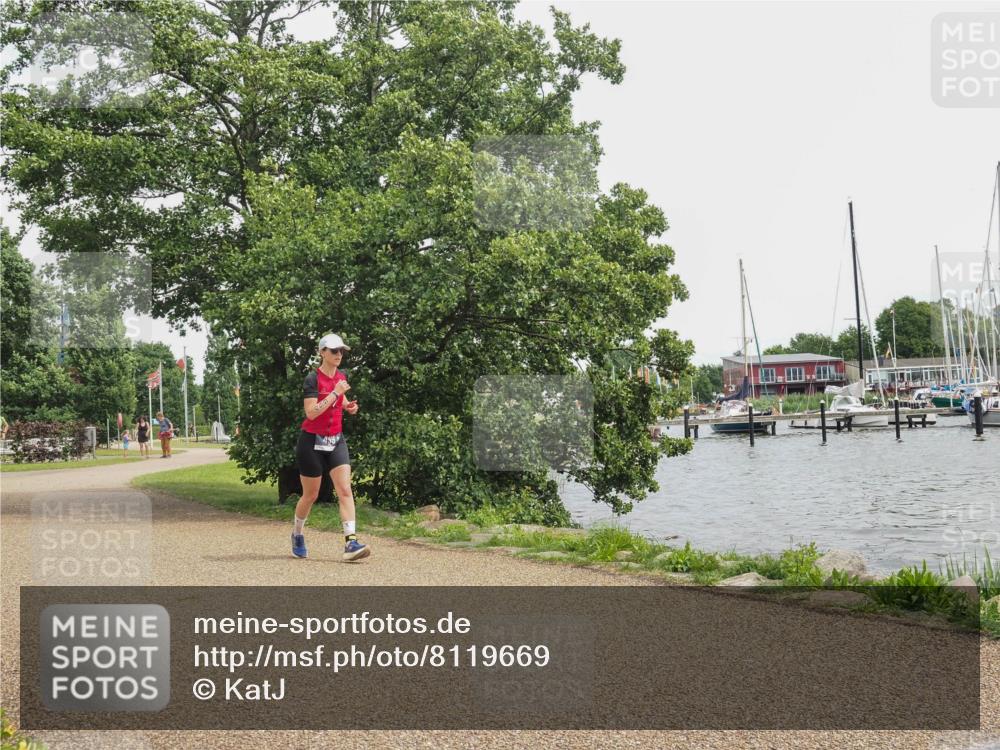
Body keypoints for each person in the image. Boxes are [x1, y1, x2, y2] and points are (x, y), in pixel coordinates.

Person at [292, 333, 368, 562]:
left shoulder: (341, 376)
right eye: (334, 351)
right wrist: (336, 393)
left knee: (344, 489)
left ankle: (351, 542)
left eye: (341, 351)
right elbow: (311, 412)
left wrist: (349, 406)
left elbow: (341, 402)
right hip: (311, 442)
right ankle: (297, 534)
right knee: (310, 495)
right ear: (322, 352)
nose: (339, 355)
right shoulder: (312, 379)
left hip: (335, 440)